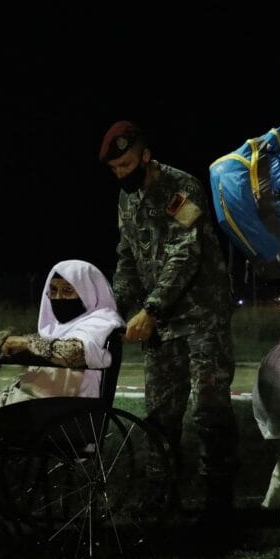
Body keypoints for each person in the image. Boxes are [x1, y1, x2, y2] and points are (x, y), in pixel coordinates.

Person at [99, 120, 238, 518]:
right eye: (115, 169)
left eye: (126, 164)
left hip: (200, 318)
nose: (122, 174)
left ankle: (218, 503)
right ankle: (161, 499)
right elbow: (127, 258)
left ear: (145, 155)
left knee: (209, 411)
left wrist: (150, 309)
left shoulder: (181, 189)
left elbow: (186, 252)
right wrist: (112, 308)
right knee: (160, 414)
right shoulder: (126, 200)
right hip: (159, 325)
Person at [0, 259, 125, 502]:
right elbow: (49, 348)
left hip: (66, 412)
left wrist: (27, 343)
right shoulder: (70, 325)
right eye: (53, 291)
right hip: (44, 404)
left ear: (88, 292)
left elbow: (74, 352)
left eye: (67, 291)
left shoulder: (101, 322)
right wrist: (18, 344)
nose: (58, 298)